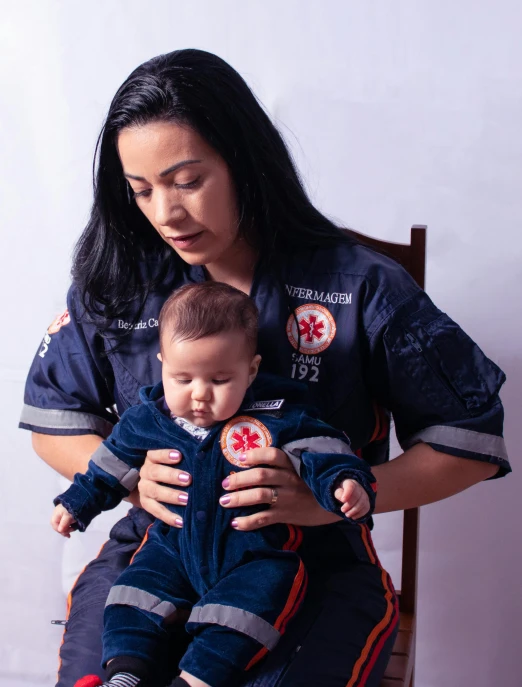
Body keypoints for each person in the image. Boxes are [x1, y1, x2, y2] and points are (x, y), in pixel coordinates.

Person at [21, 48, 510, 687]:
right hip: (156, 551)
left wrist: (332, 500)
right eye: (142, 190)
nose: (165, 213)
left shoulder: (360, 286)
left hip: (312, 566)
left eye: (187, 180)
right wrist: (134, 482)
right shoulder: (120, 283)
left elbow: (467, 442)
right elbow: (56, 422)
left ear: (243, 163)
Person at [52, 281, 376, 687]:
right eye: (183, 378)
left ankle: (194, 681)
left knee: (248, 613)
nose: (199, 395)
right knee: (130, 595)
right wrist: (77, 503)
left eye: (220, 380)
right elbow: (107, 467)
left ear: (251, 370)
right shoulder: (150, 419)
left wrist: (344, 483)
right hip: (171, 547)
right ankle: (125, 676)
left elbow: (324, 451)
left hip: (253, 553)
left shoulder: (278, 415)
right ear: (162, 364)